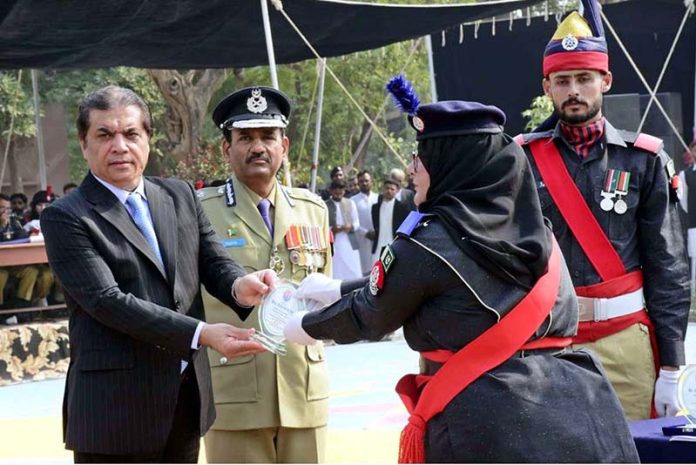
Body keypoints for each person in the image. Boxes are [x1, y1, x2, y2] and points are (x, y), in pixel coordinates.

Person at [282, 76, 639, 462]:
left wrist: (301, 326)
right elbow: (433, 283)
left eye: (420, 159)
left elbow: (372, 314)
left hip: (486, 422)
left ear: (450, 164)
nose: (412, 169)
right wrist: (337, 289)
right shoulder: (537, 232)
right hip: (579, 412)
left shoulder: (429, 240)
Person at [40, 85, 275, 463]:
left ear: (148, 139)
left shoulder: (179, 195)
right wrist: (201, 334)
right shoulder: (67, 216)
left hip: (183, 400)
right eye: (104, 135)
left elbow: (213, 261)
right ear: (84, 143)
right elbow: (108, 302)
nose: (119, 146)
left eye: (131, 134)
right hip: (114, 414)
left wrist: (239, 284)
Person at [516, 0, 689, 420]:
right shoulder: (521, 160)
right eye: (562, 80)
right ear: (547, 87)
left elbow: (668, 269)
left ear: (605, 80)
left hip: (625, 341)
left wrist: (672, 364)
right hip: (548, 343)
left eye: (584, 78)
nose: (573, 90)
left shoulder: (644, 160)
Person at [199, 86, 332, 464]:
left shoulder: (313, 210)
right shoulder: (199, 211)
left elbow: (325, 295)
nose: (258, 147)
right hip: (234, 396)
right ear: (227, 149)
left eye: (267, 136)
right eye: (245, 138)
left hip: (303, 389)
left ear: (284, 146)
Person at [326, 179, 362, 280]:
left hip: (349, 241)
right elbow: (322, 226)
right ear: (331, 191)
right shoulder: (325, 205)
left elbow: (357, 223)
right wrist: (332, 229)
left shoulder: (350, 203)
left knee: (354, 271)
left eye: (341, 190)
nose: (338, 193)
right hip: (334, 241)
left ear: (344, 191)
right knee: (335, 269)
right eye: (336, 191)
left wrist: (350, 227)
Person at [369, 179, 409, 263]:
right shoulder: (375, 208)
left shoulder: (402, 208)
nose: (389, 191)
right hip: (378, 245)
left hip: (395, 244)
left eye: (392, 189)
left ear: (397, 191)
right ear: (383, 189)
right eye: (387, 188)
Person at [352, 170, 379, 274]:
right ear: (358, 183)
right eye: (361, 181)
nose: (364, 183)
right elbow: (353, 222)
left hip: (377, 238)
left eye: (367, 180)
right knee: (363, 270)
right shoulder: (353, 201)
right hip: (361, 240)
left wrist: (377, 232)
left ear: (371, 182)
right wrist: (366, 233)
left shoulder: (378, 198)